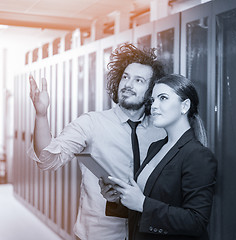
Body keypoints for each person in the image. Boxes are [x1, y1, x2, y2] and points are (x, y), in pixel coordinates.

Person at [28, 43, 167, 240]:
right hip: (98, 235)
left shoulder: (160, 131)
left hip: (147, 233)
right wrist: (41, 115)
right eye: (125, 77)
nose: (127, 84)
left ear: (152, 90)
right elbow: (47, 160)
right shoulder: (91, 123)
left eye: (139, 80)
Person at [100, 74, 217, 240]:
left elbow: (196, 221)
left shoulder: (198, 155)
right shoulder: (156, 147)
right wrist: (117, 199)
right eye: (153, 100)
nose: (154, 106)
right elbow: (144, 208)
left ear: (185, 106)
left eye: (163, 98)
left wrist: (142, 203)